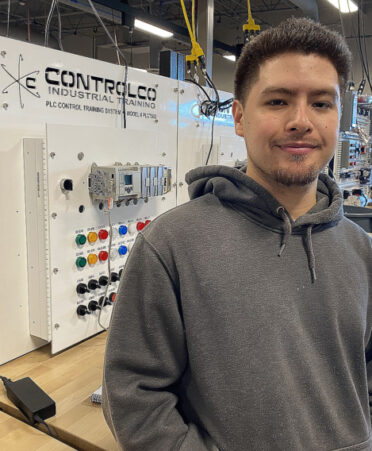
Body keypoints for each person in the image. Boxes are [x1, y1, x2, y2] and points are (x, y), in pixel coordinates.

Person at [102, 17, 372, 451]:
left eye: (321, 103)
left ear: (338, 117)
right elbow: (133, 396)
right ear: (240, 117)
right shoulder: (171, 246)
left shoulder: (363, 252)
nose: (302, 121)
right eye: (279, 101)